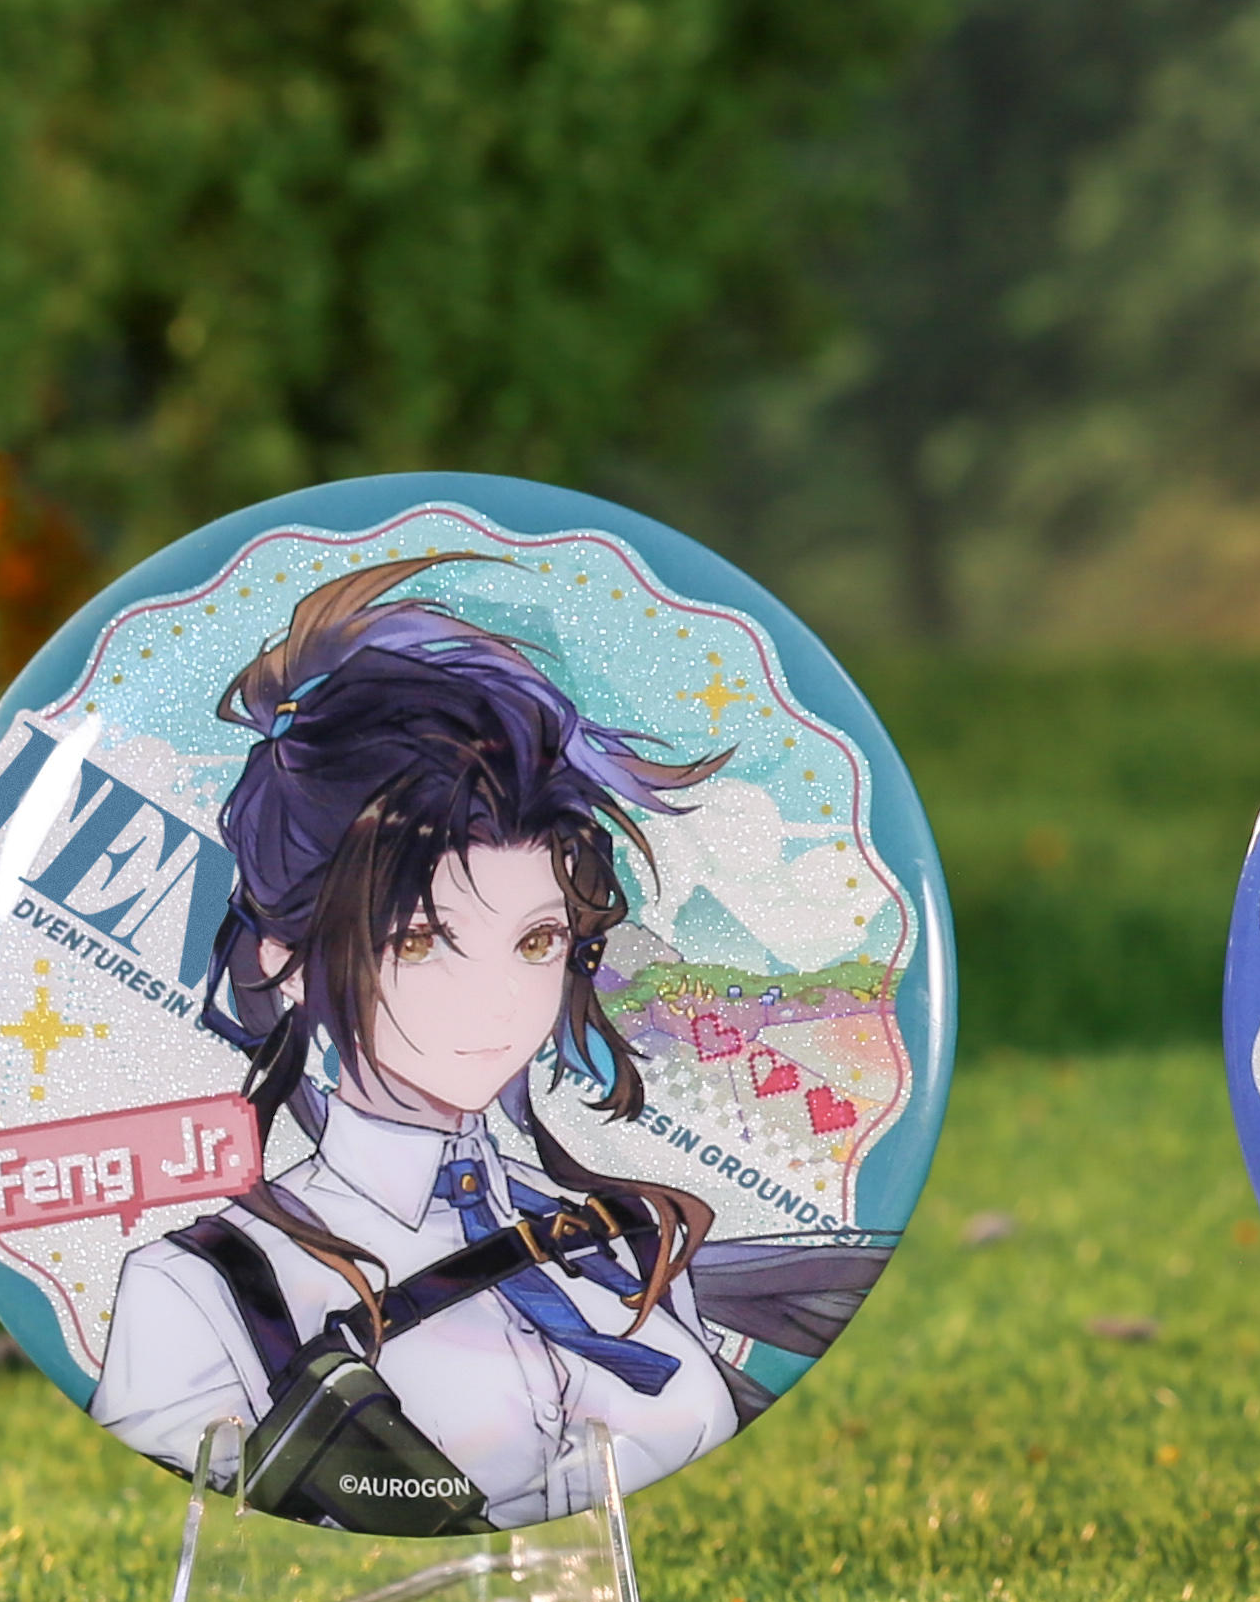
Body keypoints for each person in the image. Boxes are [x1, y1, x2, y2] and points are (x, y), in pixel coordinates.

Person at [87, 556, 882, 1532]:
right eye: (421, 941)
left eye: (536, 941)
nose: (498, 1001)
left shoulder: (616, 1240)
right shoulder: (201, 1291)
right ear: (286, 963)